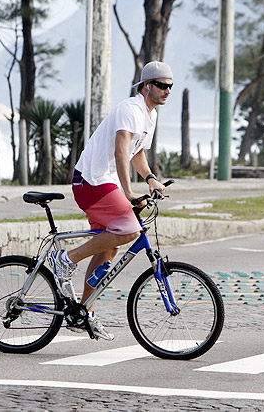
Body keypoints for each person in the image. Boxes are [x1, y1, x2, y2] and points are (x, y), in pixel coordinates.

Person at [48, 60, 172, 340]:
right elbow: (120, 151)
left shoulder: (149, 115)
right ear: (146, 86)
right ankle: (65, 259)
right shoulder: (131, 109)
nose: (167, 91)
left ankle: (83, 312)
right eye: (162, 85)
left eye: (170, 87)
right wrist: (128, 193)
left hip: (104, 182)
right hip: (91, 180)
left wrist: (150, 177)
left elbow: (136, 153)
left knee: (108, 247)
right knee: (128, 230)